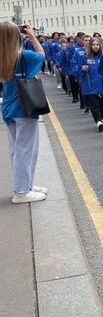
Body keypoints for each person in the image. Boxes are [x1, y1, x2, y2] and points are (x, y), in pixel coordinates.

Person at [1, 23, 48, 203]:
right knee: (26, 150)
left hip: (8, 108)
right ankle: (21, 191)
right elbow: (42, 55)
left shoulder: (3, 57)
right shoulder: (23, 56)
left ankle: (25, 184)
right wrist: (32, 36)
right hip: (25, 107)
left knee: (17, 149)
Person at [78, 38, 103, 131]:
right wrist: (82, 70)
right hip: (90, 86)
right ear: (90, 46)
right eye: (93, 44)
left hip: (102, 86)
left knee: (102, 105)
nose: (95, 46)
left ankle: (101, 118)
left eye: (97, 44)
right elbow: (79, 73)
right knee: (94, 105)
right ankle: (98, 121)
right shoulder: (86, 58)